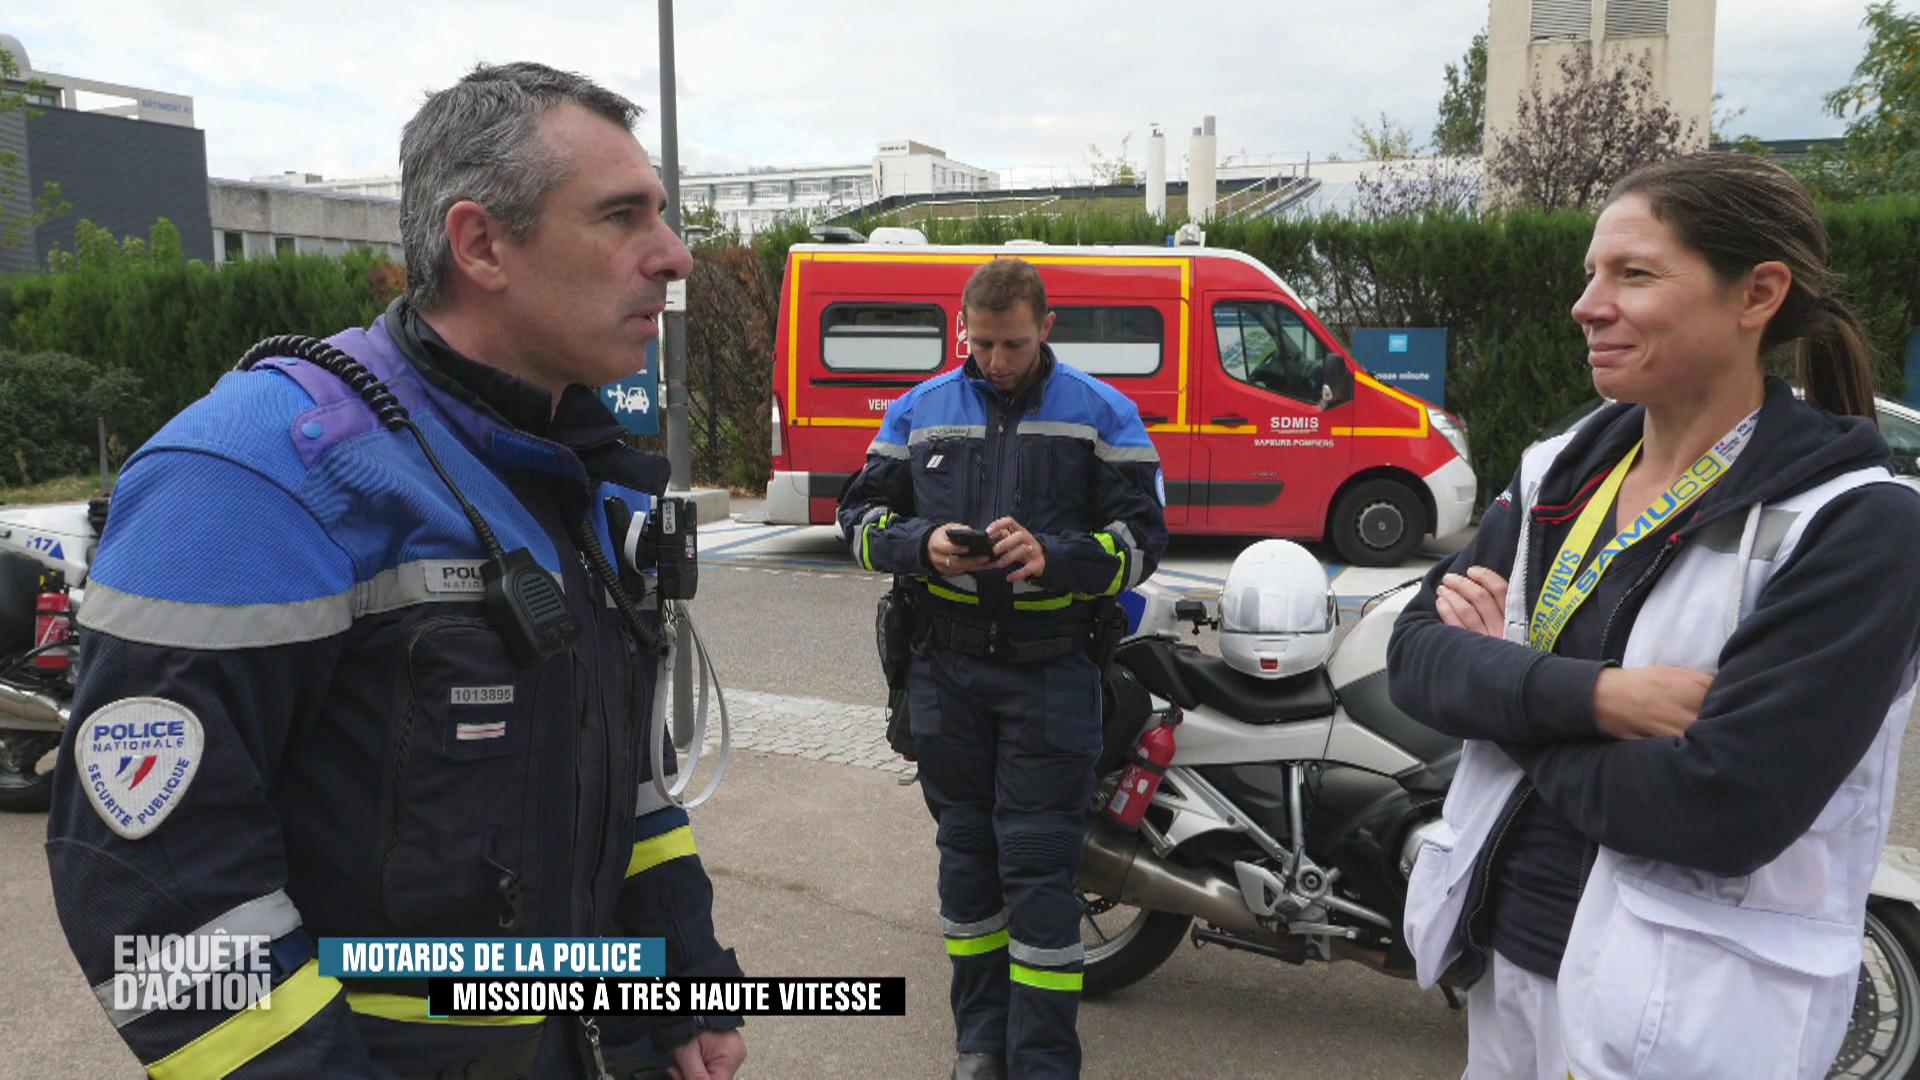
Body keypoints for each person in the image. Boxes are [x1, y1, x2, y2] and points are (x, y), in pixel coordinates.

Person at [45, 63, 747, 1080]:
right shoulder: (254, 475)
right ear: (480, 245)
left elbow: (622, 780)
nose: (674, 256)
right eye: (621, 216)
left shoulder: (575, 475)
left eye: (664, 215)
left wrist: (685, 982)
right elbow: (153, 892)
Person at [1388, 151, 1920, 1078]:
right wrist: (1598, 698)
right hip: (1501, 959)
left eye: (1633, 274)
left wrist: (1508, 697)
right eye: (1592, 273)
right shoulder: (1558, 471)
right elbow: (1414, 657)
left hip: (1685, 1021)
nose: (1587, 305)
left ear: (1757, 294)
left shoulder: (1861, 526)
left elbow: (1716, 808)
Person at [838, 257, 1168, 1080]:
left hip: (1051, 674)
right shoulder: (919, 412)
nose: (996, 361)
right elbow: (858, 519)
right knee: (967, 865)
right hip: (945, 673)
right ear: (964, 329)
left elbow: (1143, 544)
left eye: (1013, 344)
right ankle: (980, 1047)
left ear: (1046, 328)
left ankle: (1046, 1062)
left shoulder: (1105, 414)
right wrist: (921, 547)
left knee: (1038, 868)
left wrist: (1054, 558)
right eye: (981, 343)